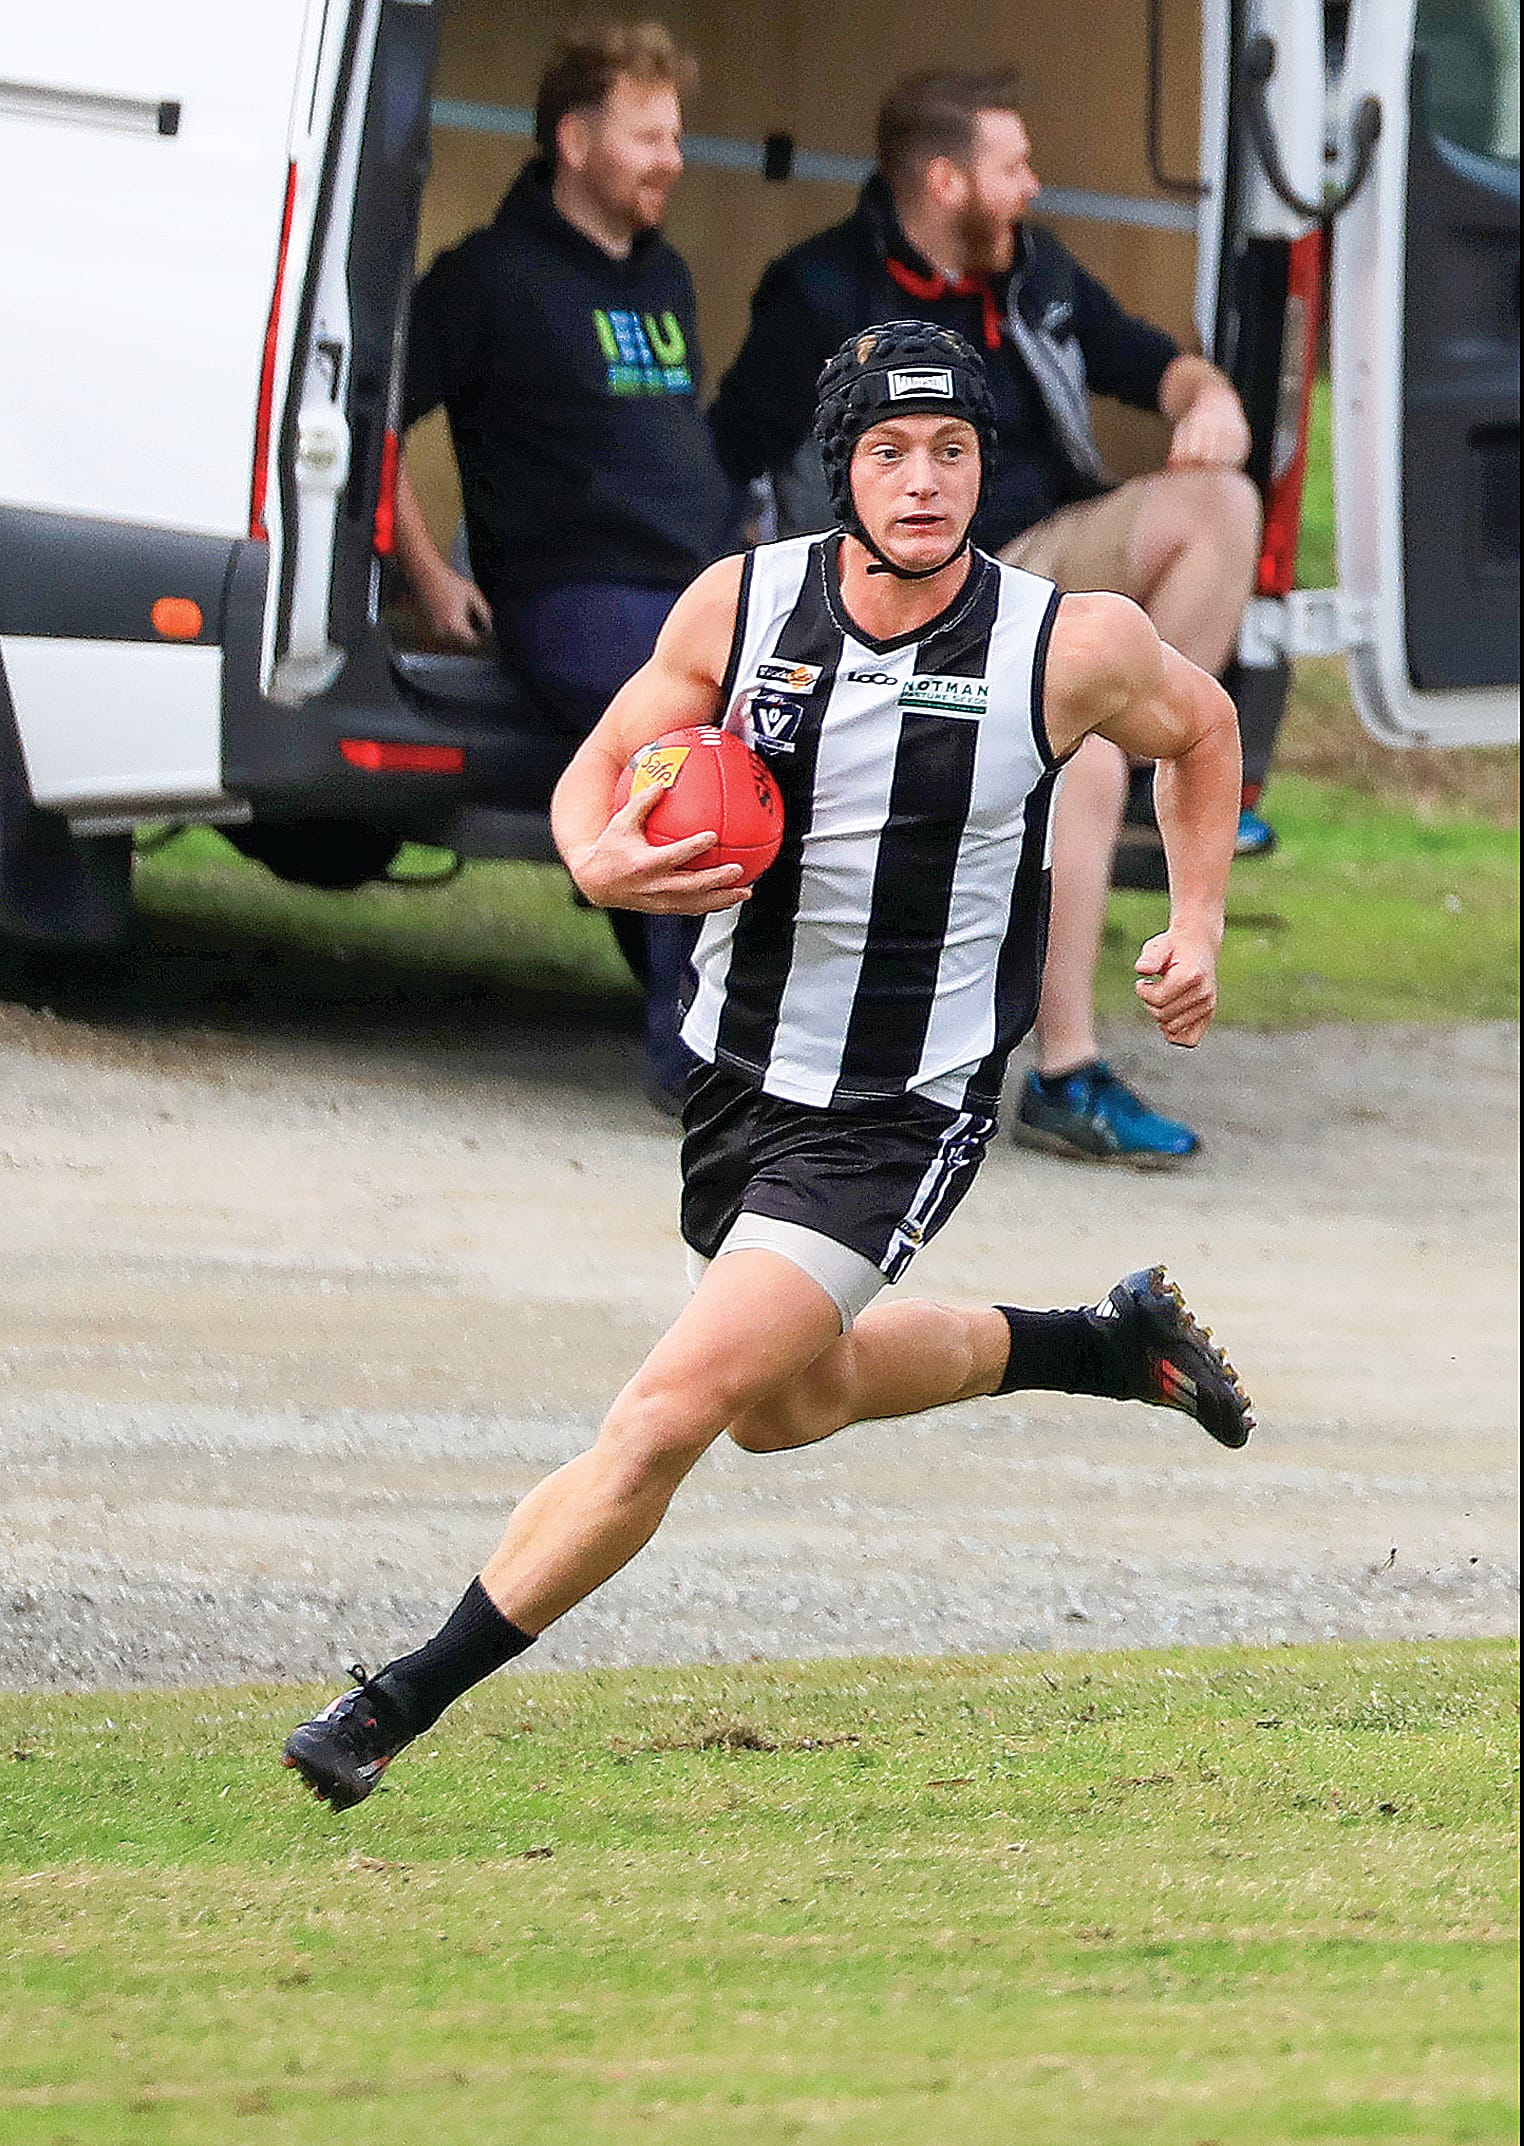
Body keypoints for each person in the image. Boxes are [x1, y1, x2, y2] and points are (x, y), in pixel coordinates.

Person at [282, 324, 1253, 1814]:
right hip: (740, 1075)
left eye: (951, 451)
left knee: (664, 1417)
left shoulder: (1068, 643)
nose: (923, 482)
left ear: (983, 466)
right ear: (840, 468)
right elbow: (600, 769)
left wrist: (1197, 921)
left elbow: (1205, 729)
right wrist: (599, 860)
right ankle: (1101, 1345)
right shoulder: (744, 606)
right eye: (889, 452)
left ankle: (390, 1703)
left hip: (900, 1106)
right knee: (784, 1405)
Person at [710, 68, 1261, 1167]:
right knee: (1075, 759)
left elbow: (1154, 362)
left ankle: (1147, 750)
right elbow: (732, 453)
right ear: (944, 180)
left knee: (1223, 506)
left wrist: (1209, 397)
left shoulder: (1033, 272)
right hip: (902, 583)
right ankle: (1065, 1070)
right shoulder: (822, 290)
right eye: (1014, 166)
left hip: (1038, 556)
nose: (1034, 185)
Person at [393, 20, 736, 1111]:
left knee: (785, 735)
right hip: (571, 599)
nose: (673, 160)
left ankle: (767, 1037)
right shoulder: (487, 277)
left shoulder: (666, 277)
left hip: (693, 590)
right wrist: (428, 576)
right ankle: (693, 1061)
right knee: (688, 752)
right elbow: (369, 423)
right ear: (577, 144)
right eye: (649, 137)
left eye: (675, 136)